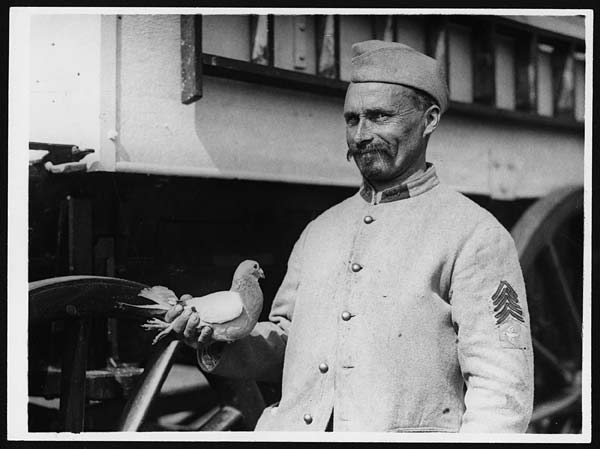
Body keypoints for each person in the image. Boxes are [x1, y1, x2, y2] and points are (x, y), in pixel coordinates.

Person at [165, 40, 534, 432]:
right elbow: (290, 346)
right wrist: (216, 336)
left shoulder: (475, 235)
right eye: (352, 119)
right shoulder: (320, 231)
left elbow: (501, 388)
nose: (361, 135)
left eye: (379, 116)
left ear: (429, 120)